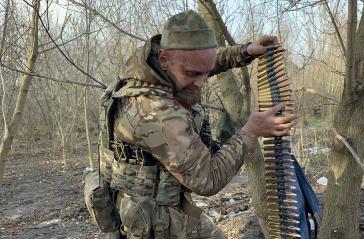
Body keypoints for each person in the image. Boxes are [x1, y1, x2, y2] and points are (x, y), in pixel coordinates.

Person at [98, 10, 298, 239]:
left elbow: (200, 61)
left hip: (141, 204)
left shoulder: (147, 65)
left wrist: (244, 51)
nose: (201, 82)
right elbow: (207, 180)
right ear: (164, 58)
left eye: (206, 71)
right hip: (153, 221)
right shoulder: (157, 113)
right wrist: (251, 131)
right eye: (193, 74)